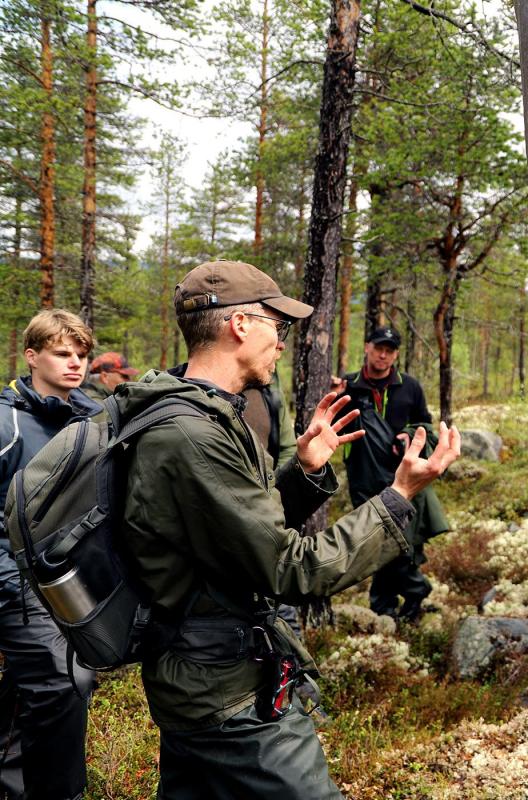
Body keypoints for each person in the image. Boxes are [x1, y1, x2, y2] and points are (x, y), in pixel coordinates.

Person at [113, 260, 459, 798]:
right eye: (279, 326)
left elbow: (230, 533)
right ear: (241, 325)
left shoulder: (194, 414)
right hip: (227, 697)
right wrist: (399, 497)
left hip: (198, 679)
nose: (281, 343)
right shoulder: (192, 435)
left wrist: (304, 471)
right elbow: (293, 569)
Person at [0, 310, 101, 800]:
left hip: (74, 581)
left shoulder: (92, 418)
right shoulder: (7, 422)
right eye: (63, 353)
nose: (75, 363)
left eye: (82, 355)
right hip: (16, 583)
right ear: (32, 356)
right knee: (64, 683)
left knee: (33, 689)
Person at [335, 327, 448, 622]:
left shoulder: (409, 386)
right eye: (378, 348)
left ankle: (409, 596)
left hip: (404, 476)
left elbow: (425, 423)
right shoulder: (348, 384)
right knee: (375, 542)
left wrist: (408, 435)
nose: (383, 354)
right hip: (363, 477)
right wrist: (336, 397)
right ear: (367, 347)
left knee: (402, 544)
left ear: (396, 353)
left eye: (390, 350)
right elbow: (331, 424)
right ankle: (390, 605)